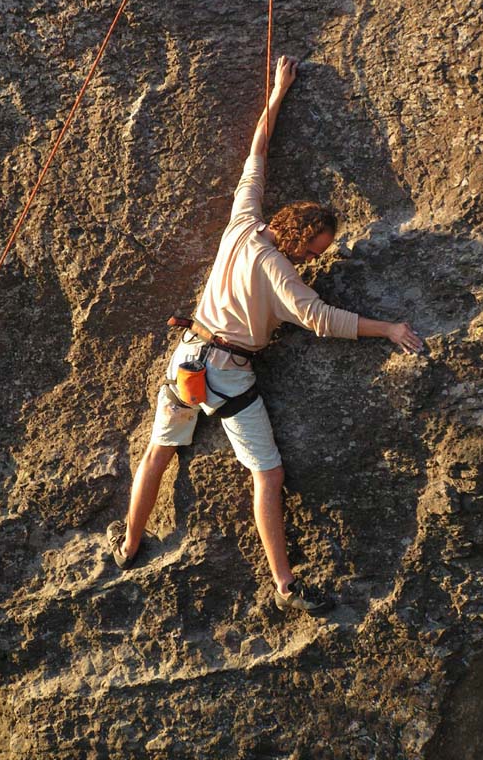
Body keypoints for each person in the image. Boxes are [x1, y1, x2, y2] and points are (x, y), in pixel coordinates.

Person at [107, 56, 423, 615]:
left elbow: (257, 153)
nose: (312, 258)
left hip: (187, 361)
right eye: (314, 248)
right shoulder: (281, 271)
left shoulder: (243, 219)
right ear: (300, 238)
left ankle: (130, 541)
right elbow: (324, 319)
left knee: (158, 451)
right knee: (268, 474)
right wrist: (389, 328)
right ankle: (284, 583)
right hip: (227, 375)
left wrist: (277, 93)